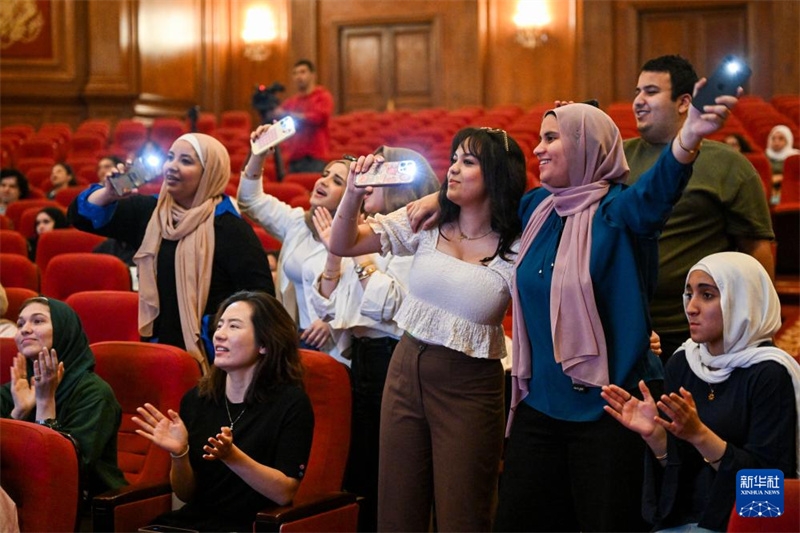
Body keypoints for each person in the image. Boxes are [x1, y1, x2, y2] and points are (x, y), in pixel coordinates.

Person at [492, 83, 742, 531]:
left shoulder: (621, 212)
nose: (538, 148)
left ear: (584, 147)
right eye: (540, 138)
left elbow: (660, 189)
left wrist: (689, 136)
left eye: (551, 138)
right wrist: (433, 199)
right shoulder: (537, 208)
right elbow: (477, 205)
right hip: (539, 404)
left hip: (611, 410)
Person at [328, 127, 527, 532]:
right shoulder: (426, 219)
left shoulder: (520, 242)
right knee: (397, 509)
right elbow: (343, 244)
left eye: (468, 162)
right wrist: (352, 193)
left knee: (464, 514)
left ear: (497, 173)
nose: (452, 168)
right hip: (405, 368)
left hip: (470, 384)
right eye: (453, 159)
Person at [602, 252, 799, 532]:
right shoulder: (683, 362)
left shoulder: (769, 373)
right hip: (683, 520)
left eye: (707, 295)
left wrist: (700, 436)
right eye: (689, 294)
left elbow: (768, 494)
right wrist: (656, 436)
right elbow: (680, 475)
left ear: (741, 302)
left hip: (739, 524)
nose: (691, 307)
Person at [308, 146, 440, 531]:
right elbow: (328, 307)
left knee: (390, 469)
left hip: (394, 357)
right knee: (359, 468)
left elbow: (394, 307)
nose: (365, 188)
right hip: (359, 361)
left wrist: (356, 255)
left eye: (375, 180)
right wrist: (335, 251)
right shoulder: (362, 234)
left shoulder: (417, 235)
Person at [68, 133, 274, 372]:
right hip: (158, 348)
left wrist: (216, 330)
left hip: (214, 356)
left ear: (209, 172)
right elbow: (80, 217)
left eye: (186, 161)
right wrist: (108, 194)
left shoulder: (231, 228)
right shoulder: (150, 212)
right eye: (170, 157)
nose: (172, 166)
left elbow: (261, 300)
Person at [624, 55, 774, 359]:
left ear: (684, 102)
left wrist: (758, 327)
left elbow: (756, 249)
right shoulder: (616, 158)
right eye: (637, 92)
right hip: (625, 324)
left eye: (651, 92)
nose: (638, 101)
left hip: (698, 330)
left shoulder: (729, 164)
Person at [132, 291, 314, 532]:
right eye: (219, 326)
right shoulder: (197, 399)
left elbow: (284, 493)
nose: (219, 334)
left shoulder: (291, 403)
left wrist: (232, 457)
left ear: (264, 344)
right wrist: (179, 454)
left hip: (252, 525)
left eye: (234, 326)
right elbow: (186, 494)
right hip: (194, 524)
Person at [238, 124, 351, 363]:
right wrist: (258, 154)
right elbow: (249, 201)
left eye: (337, 181)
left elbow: (371, 296)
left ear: (353, 195)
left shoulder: (363, 236)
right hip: (295, 340)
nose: (323, 181)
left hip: (339, 349)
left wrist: (334, 320)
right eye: (324, 175)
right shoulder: (298, 222)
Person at [0, 297, 127, 496]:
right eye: (21, 323)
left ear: (63, 329)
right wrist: (19, 412)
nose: (25, 329)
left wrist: (45, 403)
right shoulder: (16, 389)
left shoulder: (94, 393)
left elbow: (61, 471)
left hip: (84, 502)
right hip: (19, 494)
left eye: (38, 321)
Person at [275, 60, 334, 174]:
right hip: (294, 157)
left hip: (315, 157)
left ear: (312, 75)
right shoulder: (291, 102)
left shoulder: (323, 96)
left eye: (302, 72)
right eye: (295, 73)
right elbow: (277, 121)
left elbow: (318, 117)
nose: (298, 76)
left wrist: (288, 114)